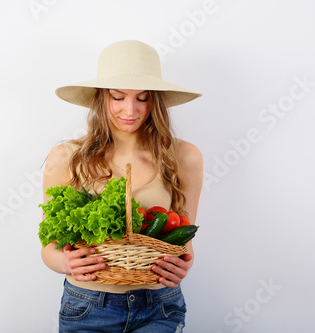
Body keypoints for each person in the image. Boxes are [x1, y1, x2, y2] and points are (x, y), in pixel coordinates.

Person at [41, 40, 203, 332]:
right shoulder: (66, 157)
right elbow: (48, 248)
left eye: (142, 98)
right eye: (118, 97)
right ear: (101, 98)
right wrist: (66, 262)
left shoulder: (184, 157)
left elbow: (184, 241)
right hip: (88, 306)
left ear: (155, 101)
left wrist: (184, 265)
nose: (130, 110)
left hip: (160, 305)